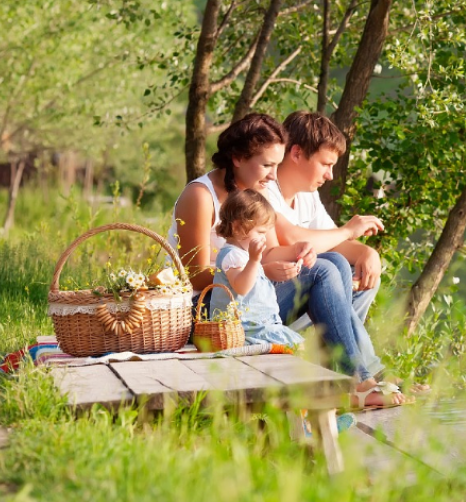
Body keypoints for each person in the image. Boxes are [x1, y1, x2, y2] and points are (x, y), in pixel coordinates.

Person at [168, 112, 409, 407]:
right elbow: (197, 276)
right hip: (208, 311)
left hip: (246, 298)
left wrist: (301, 250)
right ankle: (359, 381)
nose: (272, 175)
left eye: (276, 165)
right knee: (321, 271)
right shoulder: (200, 196)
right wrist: (260, 270)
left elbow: (268, 251)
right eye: (267, 165)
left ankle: (344, 375)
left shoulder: (252, 192)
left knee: (330, 260)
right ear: (238, 158)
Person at [267, 111, 415, 388]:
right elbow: (292, 240)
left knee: (360, 271)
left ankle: (345, 366)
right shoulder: (264, 188)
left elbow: (332, 239)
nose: (330, 175)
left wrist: (366, 254)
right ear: (297, 153)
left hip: (292, 295)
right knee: (327, 266)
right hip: (266, 301)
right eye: (325, 164)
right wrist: (349, 231)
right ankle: (363, 375)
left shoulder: (307, 196)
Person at [209, 189, 303, 347]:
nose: (264, 238)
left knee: (299, 344)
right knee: (297, 346)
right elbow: (241, 287)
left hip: (258, 324)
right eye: (260, 232)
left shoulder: (243, 255)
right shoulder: (232, 256)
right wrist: (254, 261)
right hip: (243, 329)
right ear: (238, 227)